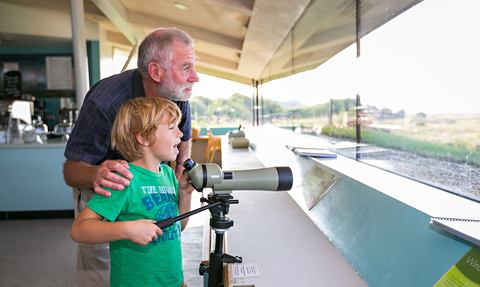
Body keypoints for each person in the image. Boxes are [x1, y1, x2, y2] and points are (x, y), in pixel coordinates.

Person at [63, 27, 199, 286]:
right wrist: (98, 175)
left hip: (155, 177)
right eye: (185, 68)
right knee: (100, 270)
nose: (195, 77)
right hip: (108, 182)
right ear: (155, 72)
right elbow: (71, 170)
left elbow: (185, 138)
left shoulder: (177, 93)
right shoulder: (105, 101)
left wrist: (181, 173)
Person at [70, 97, 194, 287]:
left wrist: (185, 194)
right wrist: (128, 230)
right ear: (144, 137)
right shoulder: (124, 178)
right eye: (171, 127)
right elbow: (79, 230)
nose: (180, 133)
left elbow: (178, 226)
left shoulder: (168, 174)